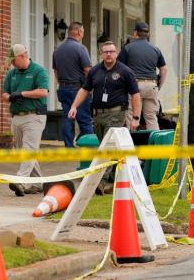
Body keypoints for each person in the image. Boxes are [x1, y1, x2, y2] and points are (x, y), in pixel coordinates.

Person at [68, 41, 141, 189]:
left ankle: (99, 182)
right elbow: (85, 90)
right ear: (101, 53)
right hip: (97, 115)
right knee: (107, 147)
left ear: (116, 53)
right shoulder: (95, 71)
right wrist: (74, 106)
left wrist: (136, 117)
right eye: (106, 52)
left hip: (116, 114)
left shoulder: (125, 71)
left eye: (112, 52)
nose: (109, 54)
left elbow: (135, 95)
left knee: (107, 147)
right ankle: (122, 173)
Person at [2, 44, 49, 196]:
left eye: (14, 60)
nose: (12, 64)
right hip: (17, 116)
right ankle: (38, 183)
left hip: (34, 116)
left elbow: (43, 92)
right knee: (25, 150)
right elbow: (4, 94)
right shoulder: (12, 74)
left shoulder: (38, 71)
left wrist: (23, 94)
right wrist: (11, 97)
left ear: (22, 56)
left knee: (28, 149)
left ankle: (20, 181)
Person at [117, 22, 167, 130]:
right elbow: (164, 69)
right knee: (151, 117)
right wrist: (158, 86)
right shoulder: (155, 49)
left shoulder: (127, 48)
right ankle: (155, 144)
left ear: (135, 33)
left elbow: (119, 68)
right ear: (147, 34)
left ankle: (132, 144)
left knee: (132, 116)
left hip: (134, 87)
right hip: (152, 86)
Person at [52, 22, 94, 148]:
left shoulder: (57, 50)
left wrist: (62, 83)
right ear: (79, 32)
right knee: (85, 119)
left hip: (63, 88)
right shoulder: (80, 48)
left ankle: (69, 147)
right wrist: (91, 87)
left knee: (67, 118)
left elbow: (56, 71)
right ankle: (90, 147)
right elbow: (88, 70)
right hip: (78, 89)